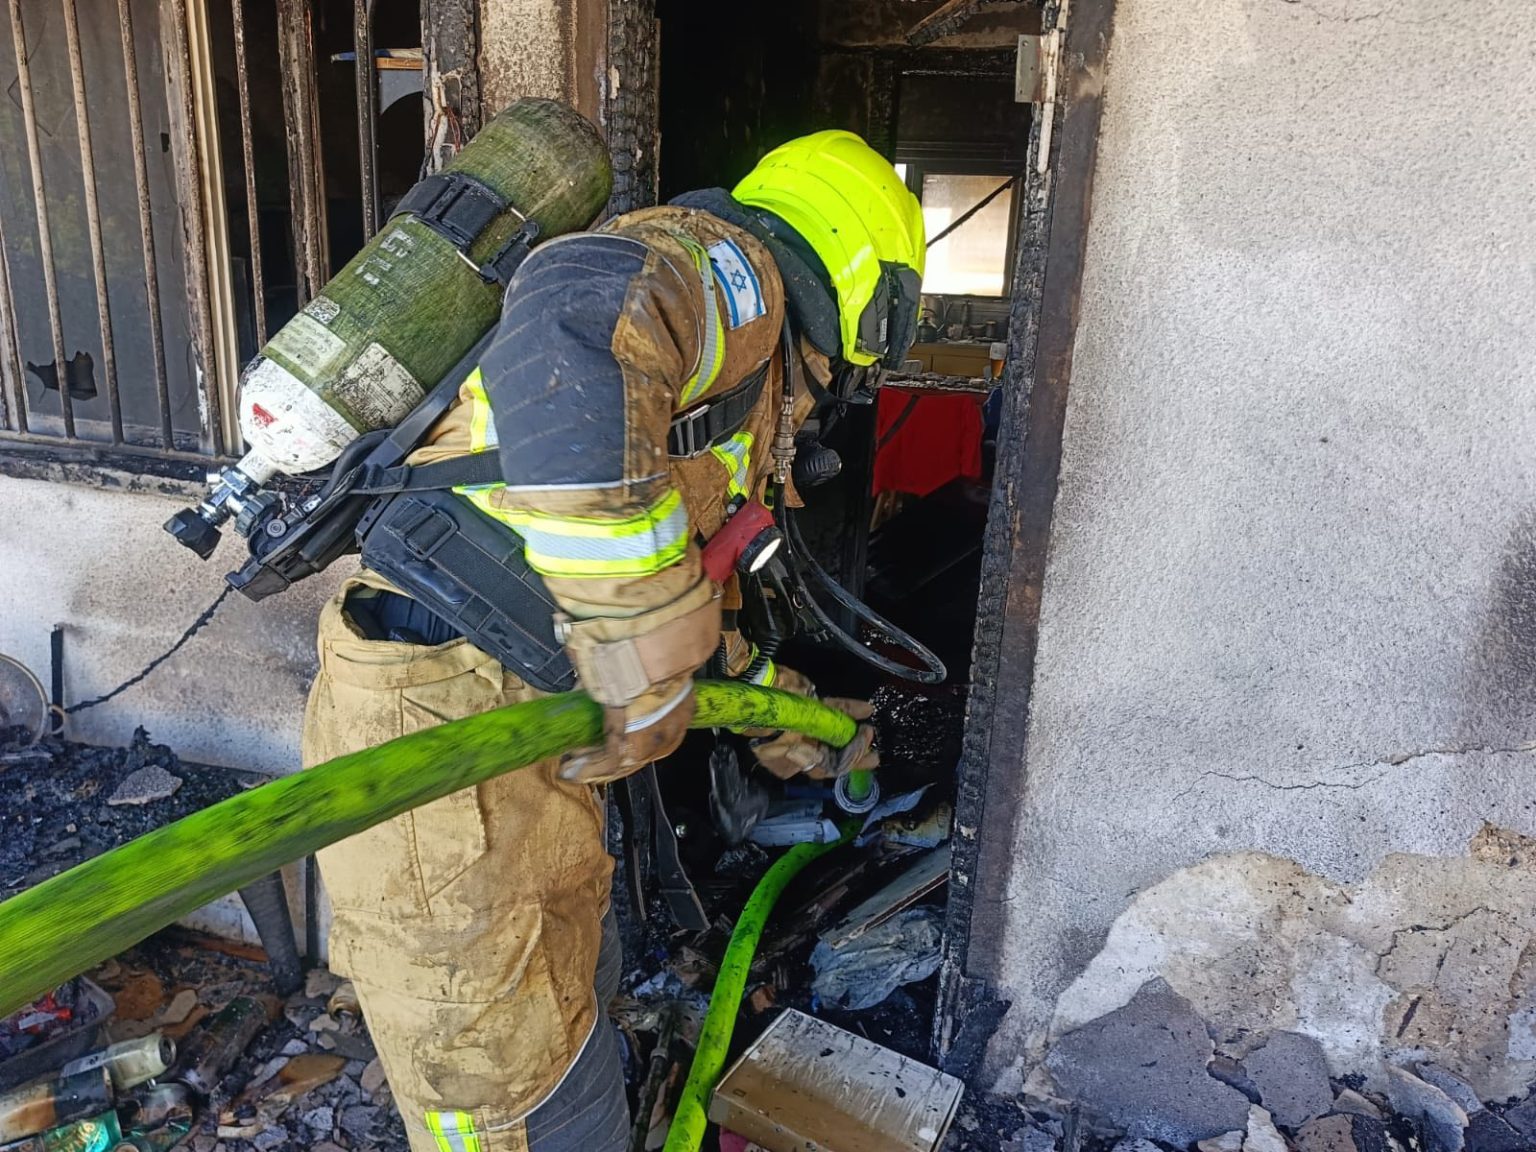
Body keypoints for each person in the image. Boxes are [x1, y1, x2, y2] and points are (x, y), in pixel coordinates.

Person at [300, 119, 926, 1152]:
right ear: (869, 301)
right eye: (837, 373)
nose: (822, 405)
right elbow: (575, 308)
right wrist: (638, 616)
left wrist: (790, 721)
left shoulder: (734, 389)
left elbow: (697, 604)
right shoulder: (733, 277)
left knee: (565, 1004)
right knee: (499, 1085)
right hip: (447, 716)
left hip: (518, 705)